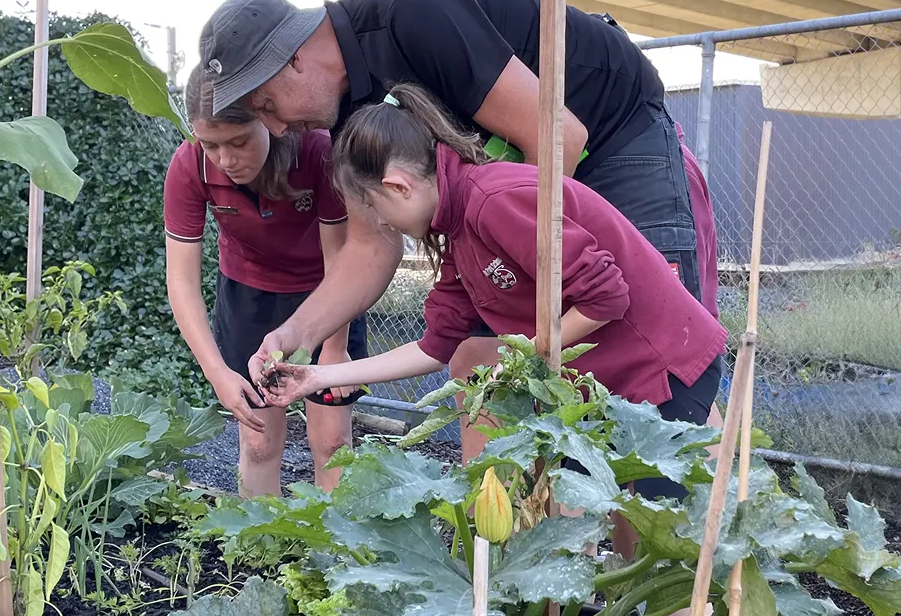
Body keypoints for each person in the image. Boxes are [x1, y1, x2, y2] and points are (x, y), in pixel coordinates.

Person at [196, 0, 712, 414]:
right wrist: (295, 335)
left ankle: (710, 484)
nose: (277, 129)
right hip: (525, 191)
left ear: (293, 59)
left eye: (267, 106)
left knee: (663, 362)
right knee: (479, 365)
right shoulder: (349, 116)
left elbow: (558, 139)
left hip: (614, 136)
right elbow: (370, 246)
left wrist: (515, 290)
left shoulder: (410, 8)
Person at [259, 85, 727, 458]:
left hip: (663, 367)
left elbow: (606, 295)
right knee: (609, 513)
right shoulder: (458, 229)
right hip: (614, 381)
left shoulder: (493, 201)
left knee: (657, 529)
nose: (380, 222)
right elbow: (436, 346)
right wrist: (318, 378)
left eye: (373, 206)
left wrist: (523, 358)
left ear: (397, 187)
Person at [162, 66, 367, 497]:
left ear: (269, 121)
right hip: (248, 300)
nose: (225, 159)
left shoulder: (318, 150)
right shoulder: (189, 166)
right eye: (211, 145)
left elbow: (341, 259)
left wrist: (334, 350)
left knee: (333, 443)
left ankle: (335, 541)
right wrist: (217, 372)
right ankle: (262, 538)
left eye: (238, 142)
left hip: (325, 300)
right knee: (258, 444)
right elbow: (181, 280)